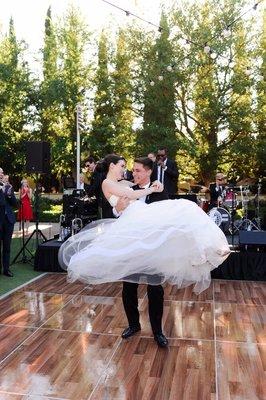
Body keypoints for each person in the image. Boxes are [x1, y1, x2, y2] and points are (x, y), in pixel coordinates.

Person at [0, 168, 18, 277]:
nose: (2, 174)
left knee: (7, 246)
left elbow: (15, 203)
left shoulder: (8, 186)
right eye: (1, 172)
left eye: (2, 172)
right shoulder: (3, 188)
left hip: (9, 220)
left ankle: (6, 269)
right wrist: (2, 192)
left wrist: (10, 195)